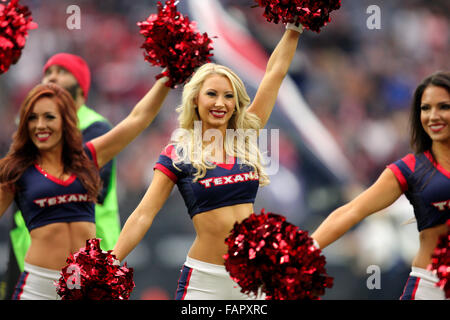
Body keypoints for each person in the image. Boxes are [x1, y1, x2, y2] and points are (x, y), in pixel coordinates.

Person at [112, 24, 303, 300]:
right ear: (196, 100)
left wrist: (293, 29)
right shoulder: (178, 153)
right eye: (211, 94)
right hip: (205, 280)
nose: (220, 103)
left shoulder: (245, 137)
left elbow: (274, 74)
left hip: (254, 278)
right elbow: (144, 214)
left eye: (228, 96)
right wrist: (111, 262)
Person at [0, 72, 170, 299]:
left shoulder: (89, 156)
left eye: (49, 117)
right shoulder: (16, 168)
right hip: (39, 286)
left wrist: (167, 78)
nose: (40, 125)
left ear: (65, 120)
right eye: (33, 118)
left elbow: (137, 119)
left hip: (87, 285)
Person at [311, 71, 450, 300]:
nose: (433, 116)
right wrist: (303, 251)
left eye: (443, 106)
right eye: (425, 108)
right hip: (431, 288)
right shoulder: (412, 168)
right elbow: (352, 211)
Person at [1, 53, 121, 300]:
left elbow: (91, 190)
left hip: (91, 259)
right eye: (48, 72)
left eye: (62, 71)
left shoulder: (96, 128)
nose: (52, 77)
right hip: (29, 255)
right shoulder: (33, 128)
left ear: (81, 87)